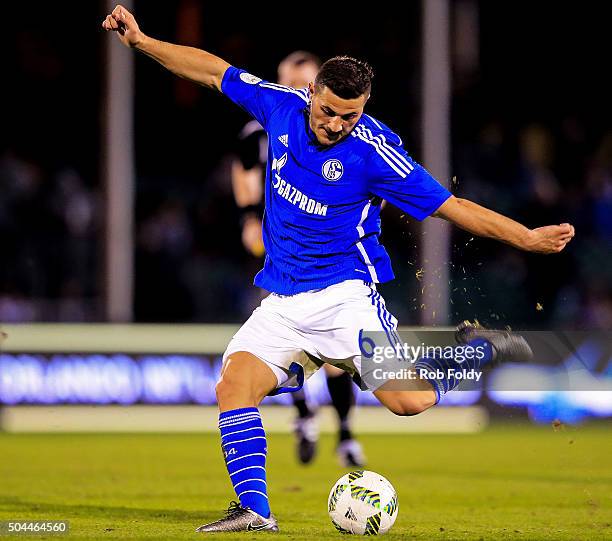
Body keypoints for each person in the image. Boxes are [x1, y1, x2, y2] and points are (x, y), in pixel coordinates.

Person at [103, 5, 576, 533]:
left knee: (409, 401)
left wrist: (527, 238)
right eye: (328, 110)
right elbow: (213, 70)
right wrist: (142, 42)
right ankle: (255, 512)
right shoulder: (281, 108)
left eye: (349, 116)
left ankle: (476, 345)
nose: (336, 124)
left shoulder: (376, 153)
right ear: (312, 95)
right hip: (282, 301)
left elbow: (453, 208)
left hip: (344, 299)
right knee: (234, 385)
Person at [232, 50, 365, 467]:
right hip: (281, 252)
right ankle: (306, 415)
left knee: (334, 360)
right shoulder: (265, 123)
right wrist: (249, 217)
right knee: (288, 338)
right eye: (291, 81)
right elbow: (244, 171)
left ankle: (342, 432)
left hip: (329, 260)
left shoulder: (345, 136)